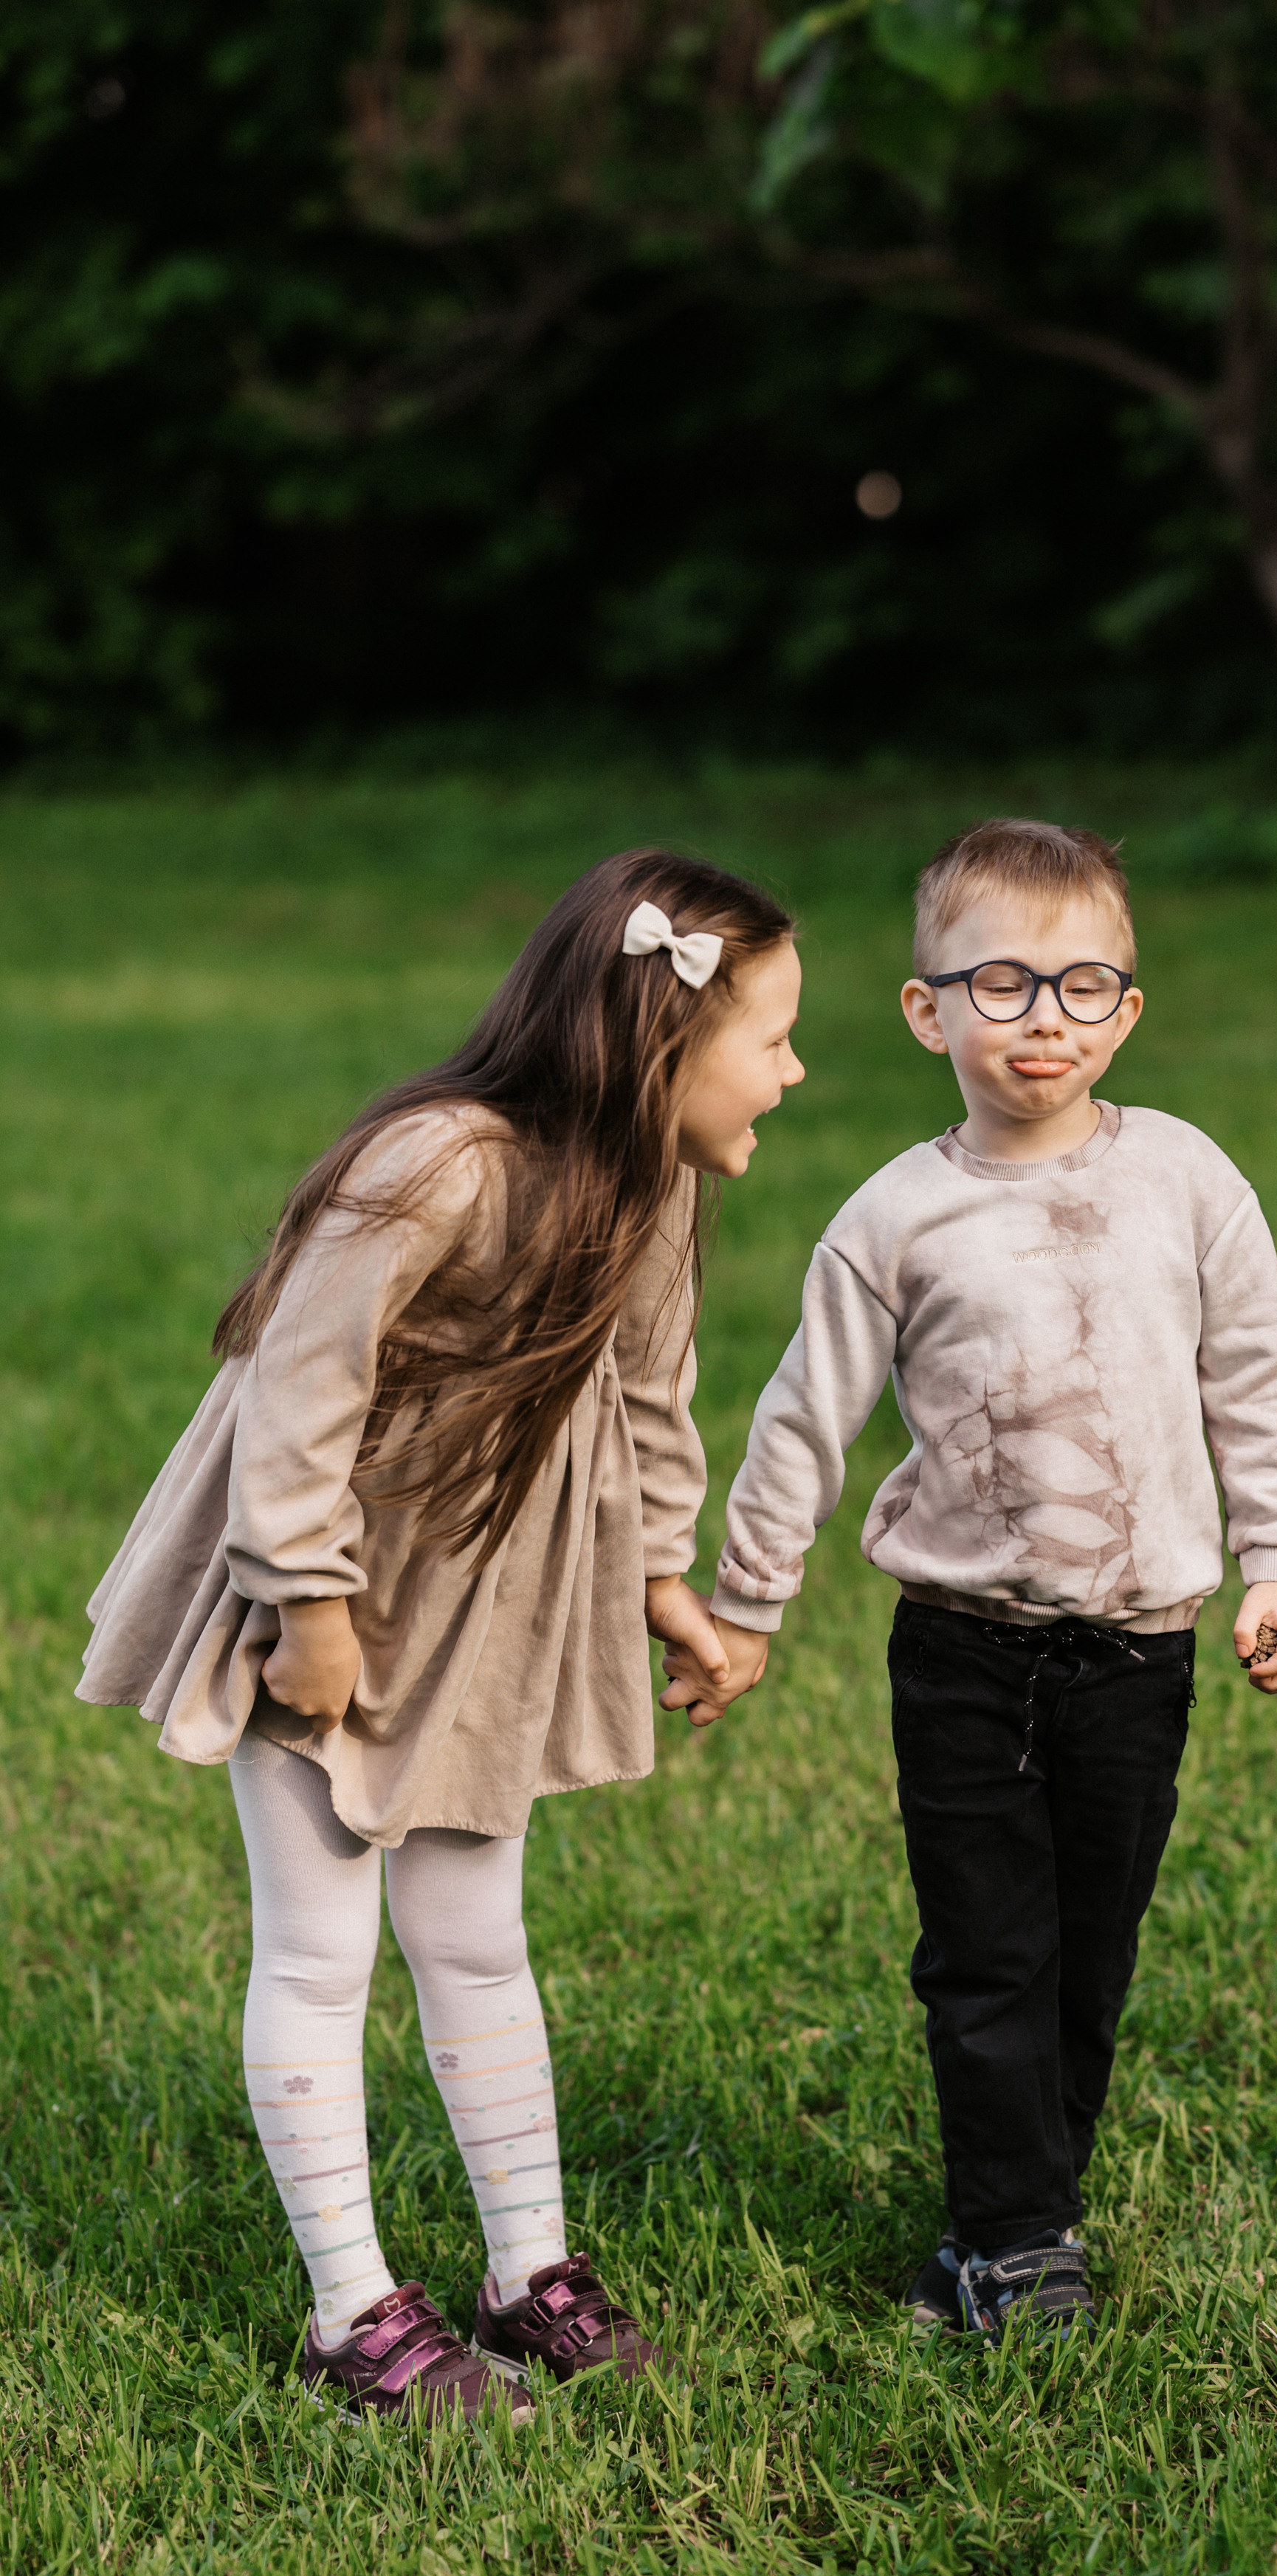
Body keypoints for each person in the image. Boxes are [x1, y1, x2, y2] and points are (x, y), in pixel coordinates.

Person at [78, 850, 802, 2425]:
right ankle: (355, 2315)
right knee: (322, 1947)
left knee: (477, 1932)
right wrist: (309, 1613)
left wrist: (661, 1574)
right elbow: (295, 1391)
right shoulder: (436, 1164)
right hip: (316, 1600)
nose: (796, 1072)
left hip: (483, 1616)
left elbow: (656, 1400)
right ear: (660, 1044)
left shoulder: (650, 1188)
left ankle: (525, 2272)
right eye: (776, 1037)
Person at [664, 818, 1277, 2346]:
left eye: (1087, 985)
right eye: (1005, 982)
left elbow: (1258, 1376)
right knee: (983, 1954)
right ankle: (1010, 2237)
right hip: (961, 1648)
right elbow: (801, 1422)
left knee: (1089, 1949)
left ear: (1130, 1012)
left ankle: (1035, 2205)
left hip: (1139, 1649)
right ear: (926, 1010)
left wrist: (1274, 1558)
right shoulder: (894, 1217)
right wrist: (746, 1607)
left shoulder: (1187, 1178)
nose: (1047, 1017)